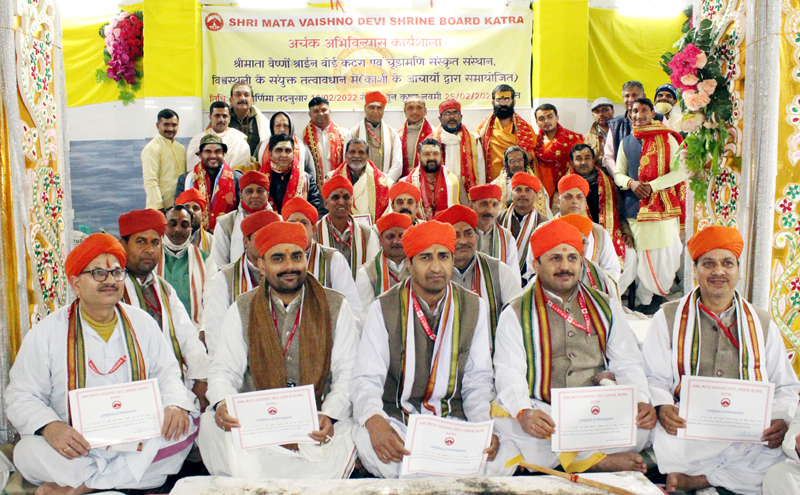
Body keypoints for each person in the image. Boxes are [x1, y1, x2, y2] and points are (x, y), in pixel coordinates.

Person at [8, 234, 199, 493]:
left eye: (117, 273)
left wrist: (174, 405)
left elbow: (167, 374)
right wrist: (52, 428)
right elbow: (21, 394)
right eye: (98, 273)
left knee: (188, 425)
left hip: (136, 438)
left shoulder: (142, 323)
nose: (110, 280)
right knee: (26, 451)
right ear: (76, 283)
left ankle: (82, 486)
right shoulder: (46, 333)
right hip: (77, 445)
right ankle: (115, 479)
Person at [643, 226, 800, 495]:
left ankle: (699, 481)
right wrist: (663, 406)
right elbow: (652, 375)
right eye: (708, 263)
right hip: (690, 428)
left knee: (777, 462)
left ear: (738, 270)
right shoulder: (667, 317)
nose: (718, 272)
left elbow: (785, 385)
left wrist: (779, 419)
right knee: (670, 443)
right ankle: (720, 480)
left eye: (727, 263)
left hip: (747, 432)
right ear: (695, 270)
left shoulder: (761, 323)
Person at [350, 221, 513, 478]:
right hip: (400, 420)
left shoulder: (473, 306)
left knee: (503, 453)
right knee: (365, 437)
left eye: (443, 257)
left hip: (454, 419)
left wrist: (483, 426)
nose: (436, 267)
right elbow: (367, 378)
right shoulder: (384, 308)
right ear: (409, 264)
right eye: (426, 257)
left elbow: (477, 380)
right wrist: (375, 421)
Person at [197, 222, 360, 479]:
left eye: (297, 256)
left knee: (353, 429)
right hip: (259, 422)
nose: (289, 266)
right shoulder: (243, 307)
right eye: (278, 258)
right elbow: (224, 369)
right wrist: (224, 401)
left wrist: (330, 414)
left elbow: (348, 370)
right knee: (209, 426)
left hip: (315, 421)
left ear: (306, 259)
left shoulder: (335, 305)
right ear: (262, 266)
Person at [493, 219, 656, 474]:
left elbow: (627, 360)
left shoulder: (604, 305)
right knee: (506, 423)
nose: (565, 266)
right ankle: (596, 460)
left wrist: (641, 400)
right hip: (546, 408)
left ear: (582, 262)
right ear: (536, 264)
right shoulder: (515, 312)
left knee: (645, 423)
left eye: (572, 258)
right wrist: (524, 411)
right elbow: (509, 370)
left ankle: (571, 457)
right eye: (555, 258)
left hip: (596, 409)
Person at [118, 209, 210, 409]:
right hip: (125, 389)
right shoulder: (113, 288)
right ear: (123, 245)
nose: (150, 249)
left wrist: (201, 378)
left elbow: (187, 336)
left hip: (169, 386)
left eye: (155, 242)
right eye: (141, 241)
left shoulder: (163, 288)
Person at [614, 98, 684, 307]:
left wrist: (652, 186)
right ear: (630, 115)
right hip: (634, 210)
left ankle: (656, 298)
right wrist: (631, 183)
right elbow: (618, 173)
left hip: (663, 210)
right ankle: (643, 302)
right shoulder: (626, 142)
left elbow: (680, 172)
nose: (639, 115)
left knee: (664, 257)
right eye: (634, 111)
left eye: (644, 110)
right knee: (639, 260)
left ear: (653, 114)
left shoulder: (669, 139)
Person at [201, 209, 281, 359]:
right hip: (239, 363)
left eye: (272, 236)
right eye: (260, 237)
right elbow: (215, 331)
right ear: (246, 241)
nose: (267, 242)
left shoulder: (287, 272)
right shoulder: (226, 277)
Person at [436, 206, 522, 339]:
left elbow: (519, 315)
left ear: (476, 236)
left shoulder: (499, 271)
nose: (463, 241)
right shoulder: (434, 274)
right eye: (455, 235)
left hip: (491, 353)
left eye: (468, 233)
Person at [282, 197, 363, 325]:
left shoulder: (333, 259)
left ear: (313, 230)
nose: (297, 228)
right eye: (292, 223)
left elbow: (352, 309)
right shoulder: (275, 260)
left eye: (303, 223)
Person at [568, 144, 635, 292]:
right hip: (578, 237)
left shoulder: (609, 182)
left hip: (609, 233)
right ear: (572, 163)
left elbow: (620, 210)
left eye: (587, 158)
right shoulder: (566, 186)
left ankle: (612, 295)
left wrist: (626, 232)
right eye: (578, 159)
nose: (583, 162)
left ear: (594, 161)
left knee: (630, 255)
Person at [554, 174, 621, 281]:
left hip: (591, 293)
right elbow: (534, 269)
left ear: (585, 202)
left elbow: (612, 269)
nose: (574, 201)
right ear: (558, 201)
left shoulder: (599, 232)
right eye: (568, 196)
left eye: (579, 197)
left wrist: (590, 287)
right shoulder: (544, 229)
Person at [159, 205, 216, 328]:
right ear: (163, 226)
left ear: (191, 228)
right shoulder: (151, 258)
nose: (178, 229)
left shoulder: (206, 260)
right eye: (172, 224)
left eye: (184, 225)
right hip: (156, 332)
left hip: (194, 333)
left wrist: (204, 332)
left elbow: (211, 301)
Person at [316, 176, 379, 278]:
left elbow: (373, 270)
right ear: (326, 204)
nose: (341, 202)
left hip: (359, 291)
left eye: (346, 197)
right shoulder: (315, 232)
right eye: (335, 197)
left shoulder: (365, 232)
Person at [355, 212, 412, 323]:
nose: (396, 241)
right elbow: (366, 315)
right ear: (380, 240)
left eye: (401, 236)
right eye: (390, 236)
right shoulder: (366, 273)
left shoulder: (419, 266)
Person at [175, 134, 239, 231]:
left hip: (227, 235)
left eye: (218, 151)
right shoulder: (186, 179)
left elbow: (241, 213)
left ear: (224, 154)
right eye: (208, 151)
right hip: (193, 236)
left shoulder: (237, 179)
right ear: (200, 155)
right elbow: (178, 212)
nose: (213, 156)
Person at [210, 170, 272, 269]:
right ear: (241, 196)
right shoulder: (226, 223)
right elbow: (219, 264)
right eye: (249, 191)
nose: (255, 195)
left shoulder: (279, 221)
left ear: (267, 195)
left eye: (260, 191)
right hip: (235, 281)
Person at [476, 84, 537, 183]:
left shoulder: (526, 129)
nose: (503, 103)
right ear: (493, 102)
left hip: (518, 183)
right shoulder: (482, 130)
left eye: (507, 99)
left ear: (514, 102)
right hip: (492, 183)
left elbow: (532, 157)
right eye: (499, 100)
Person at [602, 81, 662, 176]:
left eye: (634, 95)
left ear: (644, 96)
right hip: (626, 185)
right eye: (627, 96)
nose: (631, 99)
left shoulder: (660, 119)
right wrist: (623, 180)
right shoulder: (615, 125)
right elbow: (608, 157)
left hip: (655, 183)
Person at [497, 172, 547, 286]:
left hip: (531, 283)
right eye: (518, 190)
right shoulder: (498, 220)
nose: (523, 194)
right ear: (511, 194)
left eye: (528, 190)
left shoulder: (544, 224)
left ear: (536, 196)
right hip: (500, 280)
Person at [558, 213, 620, 302]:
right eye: (573, 242)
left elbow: (613, 312)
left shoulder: (599, 275)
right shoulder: (548, 274)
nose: (579, 248)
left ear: (587, 244)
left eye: (583, 242)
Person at [258, 133, 323, 217]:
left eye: (288, 150)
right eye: (279, 150)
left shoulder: (306, 179)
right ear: (270, 154)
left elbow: (315, 207)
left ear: (293, 153)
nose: (283, 155)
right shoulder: (259, 179)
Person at [400, 138, 466, 220]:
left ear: (441, 156)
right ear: (419, 156)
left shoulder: (454, 181)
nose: (431, 158)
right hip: (418, 230)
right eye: (426, 154)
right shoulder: (406, 183)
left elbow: (464, 212)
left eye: (436, 154)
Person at [326, 138, 390, 222]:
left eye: (361, 152)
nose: (356, 156)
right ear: (346, 155)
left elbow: (387, 213)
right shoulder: (331, 178)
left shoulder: (383, 181)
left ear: (367, 156)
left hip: (374, 231)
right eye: (352, 152)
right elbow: (325, 209)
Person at [469, 183, 521, 283]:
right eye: (484, 204)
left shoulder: (507, 238)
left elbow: (513, 278)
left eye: (495, 204)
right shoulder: (462, 236)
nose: (490, 210)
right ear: (472, 206)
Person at [533, 103, 584, 203]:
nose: (546, 121)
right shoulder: (534, 142)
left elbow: (581, 166)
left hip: (568, 189)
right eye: (541, 118)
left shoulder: (573, 140)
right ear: (537, 122)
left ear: (557, 118)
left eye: (550, 116)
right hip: (542, 192)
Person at [350, 91, 402, 183]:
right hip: (360, 184)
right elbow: (348, 162)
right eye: (371, 107)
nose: (375, 111)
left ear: (383, 109)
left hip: (386, 185)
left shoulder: (393, 134)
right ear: (365, 108)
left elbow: (397, 164)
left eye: (379, 108)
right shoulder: (353, 133)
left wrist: (385, 182)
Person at [433, 99, 484, 193]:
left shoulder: (473, 140)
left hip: (466, 192)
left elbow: (480, 171)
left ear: (461, 117)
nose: (452, 117)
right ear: (440, 118)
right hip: (441, 192)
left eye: (455, 113)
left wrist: (479, 194)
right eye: (447, 113)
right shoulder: (432, 141)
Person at [186, 101, 252, 173]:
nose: (221, 119)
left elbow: (241, 171)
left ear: (229, 118)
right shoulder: (196, 141)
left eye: (224, 116)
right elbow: (192, 170)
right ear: (210, 118)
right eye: (217, 115)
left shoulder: (239, 140)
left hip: (231, 182)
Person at [142, 109, 186, 210]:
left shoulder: (181, 148)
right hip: (160, 209)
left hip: (178, 208)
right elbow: (150, 181)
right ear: (158, 125)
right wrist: (159, 208)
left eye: (174, 125)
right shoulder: (152, 148)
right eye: (166, 124)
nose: (170, 128)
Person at [256, 111, 317, 182]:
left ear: (291, 128)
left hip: (297, 189)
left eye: (285, 126)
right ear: (272, 128)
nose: (282, 129)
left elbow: (311, 174)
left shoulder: (303, 148)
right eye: (278, 125)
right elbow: (255, 170)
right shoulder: (261, 146)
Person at [303, 96, 351, 187]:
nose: (320, 114)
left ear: (330, 112)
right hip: (313, 189)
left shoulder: (345, 134)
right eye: (316, 111)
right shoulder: (300, 136)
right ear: (310, 114)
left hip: (339, 187)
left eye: (324, 110)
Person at [492, 146, 551, 219]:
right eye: (512, 161)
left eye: (519, 160)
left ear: (525, 162)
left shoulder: (536, 183)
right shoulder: (495, 185)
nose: (516, 164)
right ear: (506, 164)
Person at [227, 82, 270, 157]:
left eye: (246, 95)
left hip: (256, 166)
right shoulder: (222, 120)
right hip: (228, 166)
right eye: (238, 94)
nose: (242, 98)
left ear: (252, 100)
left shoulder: (262, 122)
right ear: (231, 100)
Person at [397, 96, 433, 178]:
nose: (414, 112)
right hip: (403, 179)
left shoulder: (434, 134)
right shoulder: (397, 135)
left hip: (427, 179)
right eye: (410, 108)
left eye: (419, 108)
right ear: (405, 111)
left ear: (425, 111)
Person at [175, 188, 214, 252]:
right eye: (186, 207)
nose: (191, 211)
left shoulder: (212, 241)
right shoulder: (168, 240)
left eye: (195, 208)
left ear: (202, 214)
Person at [583, 97, 614, 170]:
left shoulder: (622, 131)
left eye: (605, 110)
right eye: (597, 111)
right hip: (598, 177)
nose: (601, 114)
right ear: (593, 115)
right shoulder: (587, 138)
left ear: (612, 111)